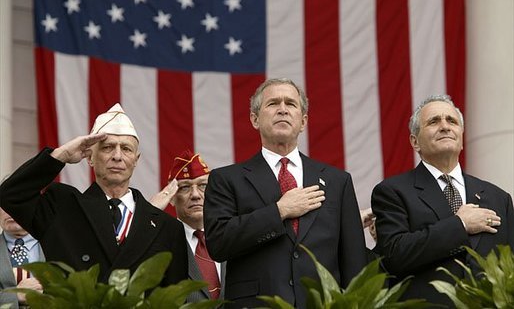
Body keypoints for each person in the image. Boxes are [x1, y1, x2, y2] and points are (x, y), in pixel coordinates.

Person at [203, 78, 367, 308]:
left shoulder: (337, 181)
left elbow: (353, 261)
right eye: (273, 103)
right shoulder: (226, 179)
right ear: (254, 119)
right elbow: (219, 244)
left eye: (290, 104)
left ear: (303, 121)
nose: (282, 109)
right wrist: (279, 211)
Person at [0, 104, 188, 285]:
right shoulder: (62, 206)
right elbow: (10, 195)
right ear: (90, 157)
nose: (117, 156)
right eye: (107, 147)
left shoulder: (167, 227)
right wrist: (61, 155)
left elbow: (175, 299)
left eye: (126, 149)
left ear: (136, 159)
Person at [371, 94, 514, 306]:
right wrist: (460, 225)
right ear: (415, 141)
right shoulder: (392, 192)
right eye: (434, 121)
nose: (445, 126)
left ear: (461, 136)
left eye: (452, 121)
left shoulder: (498, 198)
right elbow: (394, 256)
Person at [150, 150, 225, 302]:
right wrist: (149, 213)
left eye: (203, 186)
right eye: (185, 187)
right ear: (171, 198)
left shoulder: (231, 235)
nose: (196, 195)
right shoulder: (160, 242)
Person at [0, 207, 44, 308]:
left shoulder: (60, 245)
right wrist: (14, 296)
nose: (9, 210)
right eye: (3, 205)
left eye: (14, 203)